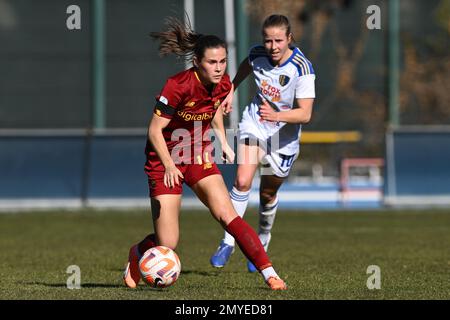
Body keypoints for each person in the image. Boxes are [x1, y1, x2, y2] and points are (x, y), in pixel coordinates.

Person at [122, 17, 287, 290]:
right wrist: (170, 165)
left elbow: (211, 112)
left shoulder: (222, 84)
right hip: (164, 160)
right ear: (197, 61)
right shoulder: (177, 85)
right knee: (168, 243)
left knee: (228, 215)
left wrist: (222, 140)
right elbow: (154, 131)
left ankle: (270, 274)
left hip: (197, 154)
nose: (220, 68)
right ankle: (138, 252)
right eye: (213, 62)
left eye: (223, 61)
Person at [210, 14, 316, 272]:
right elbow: (248, 65)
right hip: (255, 124)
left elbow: (305, 114)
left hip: (284, 138)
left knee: (268, 193)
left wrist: (277, 116)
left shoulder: (301, 68)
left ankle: (263, 239)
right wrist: (231, 90)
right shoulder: (258, 54)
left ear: (289, 38)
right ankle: (228, 241)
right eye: (268, 40)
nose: (273, 46)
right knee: (242, 180)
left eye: (278, 40)